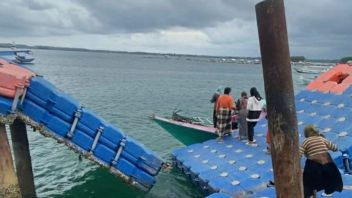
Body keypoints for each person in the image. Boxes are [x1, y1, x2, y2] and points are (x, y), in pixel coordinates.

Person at [300, 124, 343, 198]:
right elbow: (334, 147)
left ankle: (308, 194)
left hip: (313, 165)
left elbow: (299, 152)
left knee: (308, 182)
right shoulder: (321, 139)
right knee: (332, 179)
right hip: (327, 164)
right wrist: (335, 148)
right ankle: (329, 191)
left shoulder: (306, 141)